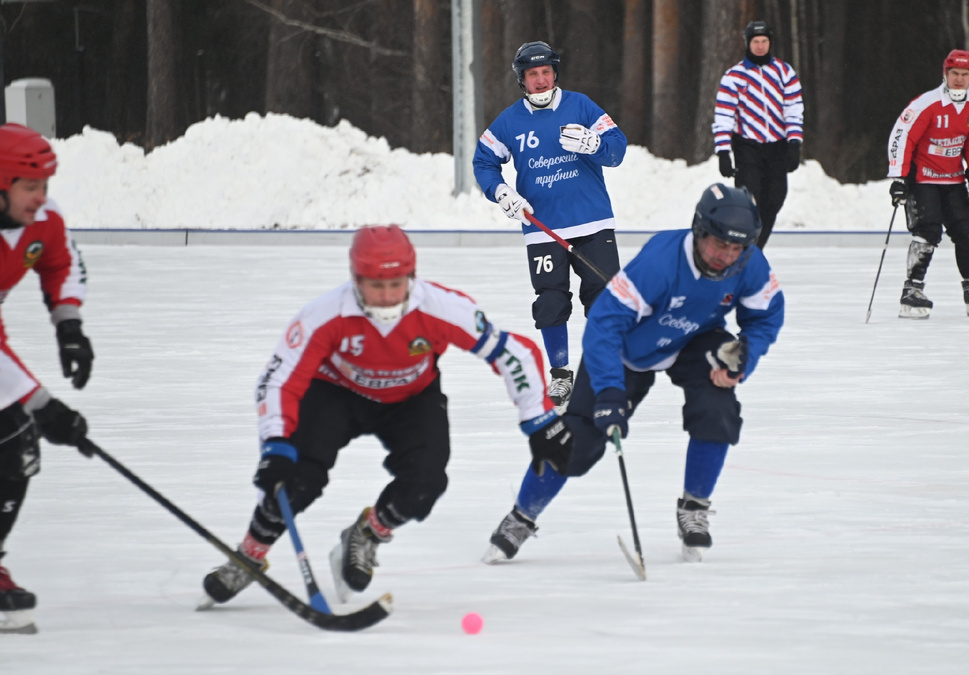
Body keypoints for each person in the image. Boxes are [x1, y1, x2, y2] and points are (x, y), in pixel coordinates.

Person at [200, 225, 573, 606]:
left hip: (411, 397)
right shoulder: (324, 315)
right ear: (355, 280)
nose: (386, 296)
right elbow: (279, 379)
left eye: (396, 284)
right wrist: (276, 443)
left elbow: (515, 354)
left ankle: (366, 534)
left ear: (412, 277)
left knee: (426, 483)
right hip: (336, 394)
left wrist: (539, 420)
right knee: (296, 479)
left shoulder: (441, 307)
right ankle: (249, 554)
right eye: (375, 286)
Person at [482, 184, 784, 564]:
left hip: (693, 337)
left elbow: (766, 316)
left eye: (736, 248)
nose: (726, 255)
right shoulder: (660, 262)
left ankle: (694, 507)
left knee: (717, 407)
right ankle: (521, 516)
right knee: (579, 443)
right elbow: (604, 326)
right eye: (717, 244)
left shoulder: (750, 264)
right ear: (698, 230)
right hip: (626, 348)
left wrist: (745, 354)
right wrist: (609, 392)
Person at [474, 40, 627, 410]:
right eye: (532, 75)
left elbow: (618, 147)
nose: (540, 80)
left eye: (545, 73)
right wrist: (501, 193)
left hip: (592, 223)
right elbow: (483, 162)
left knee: (605, 299)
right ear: (522, 80)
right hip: (543, 229)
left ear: (554, 74)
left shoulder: (580, 105)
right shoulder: (510, 121)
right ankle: (561, 376)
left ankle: (605, 373)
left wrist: (595, 144)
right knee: (550, 303)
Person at [0, 123, 94, 633]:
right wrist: (43, 405)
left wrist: (70, 327)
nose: (41, 198)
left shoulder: (43, 219)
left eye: (44, 187)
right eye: (29, 187)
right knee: (17, 432)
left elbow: (61, 262)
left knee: (15, 446)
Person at [886, 49, 969, 319]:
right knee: (928, 230)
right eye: (954, 73)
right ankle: (912, 290)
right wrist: (899, 178)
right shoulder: (927, 103)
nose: (959, 79)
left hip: (953, 179)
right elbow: (902, 137)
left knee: (966, 232)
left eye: (965, 74)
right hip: (923, 179)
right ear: (945, 74)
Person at [712, 20, 804, 248]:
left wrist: (794, 143)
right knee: (749, 200)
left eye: (764, 41)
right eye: (756, 41)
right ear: (748, 43)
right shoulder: (734, 76)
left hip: (777, 145)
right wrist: (723, 151)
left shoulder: (784, 72)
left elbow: (794, 109)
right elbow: (724, 115)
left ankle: (756, 247)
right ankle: (743, 246)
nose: (760, 46)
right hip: (747, 146)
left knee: (775, 198)